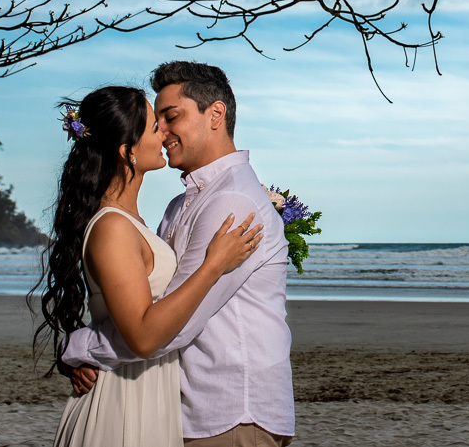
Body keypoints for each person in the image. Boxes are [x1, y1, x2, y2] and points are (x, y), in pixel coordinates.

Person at [63, 62, 296, 447]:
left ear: (216, 114)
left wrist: (81, 349)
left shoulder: (231, 200)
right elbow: (151, 306)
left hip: (229, 412)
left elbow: (166, 329)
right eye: (157, 123)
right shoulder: (177, 206)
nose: (164, 132)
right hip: (185, 410)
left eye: (171, 117)